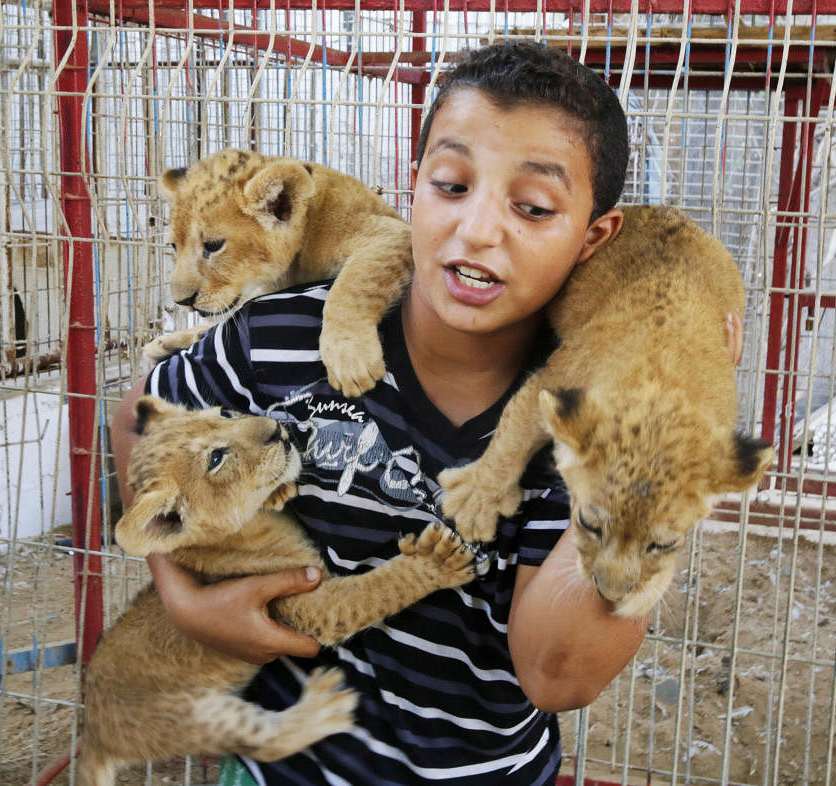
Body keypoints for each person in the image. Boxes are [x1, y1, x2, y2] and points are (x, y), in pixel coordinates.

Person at [110, 40, 742, 785]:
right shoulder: (279, 336)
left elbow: (558, 676)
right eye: (450, 185)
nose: (478, 229)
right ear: (411, 187)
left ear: (591, 238)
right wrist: (185, 598)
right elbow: (140, 419)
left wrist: (657, 440)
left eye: (532, 207)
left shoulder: (578, 426)